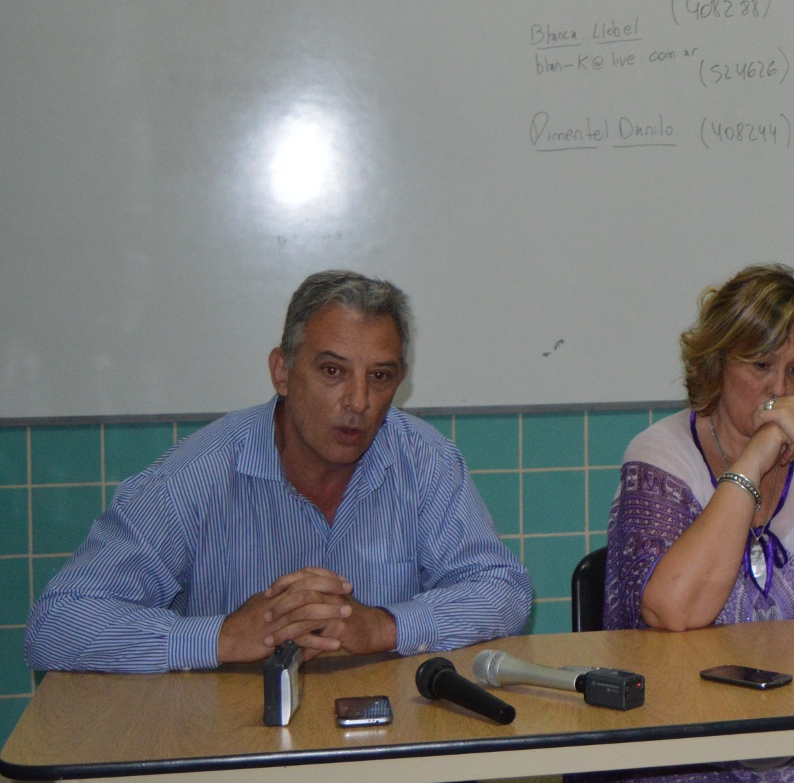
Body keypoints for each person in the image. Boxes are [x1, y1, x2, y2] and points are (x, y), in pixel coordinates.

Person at [24, 270, 532, 673]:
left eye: (380, 376)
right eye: (332, 371)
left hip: (385, 738)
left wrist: (384, 627)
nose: (358, 401)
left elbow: (504, 590)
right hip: (232, 743)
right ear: (282, 372)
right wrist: (224, 637)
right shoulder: (194, 478)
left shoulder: (425, 460)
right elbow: (56, 625)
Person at [600, 264, 794, 783]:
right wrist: (751, 464)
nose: (780, 390)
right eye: (761, 366)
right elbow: (671, 610)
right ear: (717, 362)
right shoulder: (660, 457)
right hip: (684, 728)